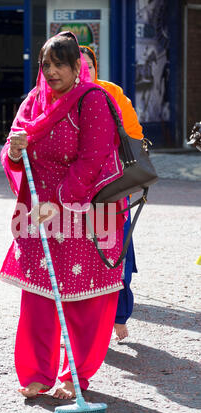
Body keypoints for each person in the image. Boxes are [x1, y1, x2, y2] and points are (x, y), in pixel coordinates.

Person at [0, 31, 128, 399]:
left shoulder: (93, 100)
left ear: (77, 67)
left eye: (60, 64)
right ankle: (37, 372)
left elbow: (94, 158)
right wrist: (15, 150)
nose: (52, 71)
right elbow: (12, 148)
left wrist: (59, 200)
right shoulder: (34, 102)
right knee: (39, 296)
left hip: (85, 212)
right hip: (38, 212)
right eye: (46, 65)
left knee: (83, 300)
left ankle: (74, 375)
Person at [79, 45, 143, 341]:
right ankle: (84, 324)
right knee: (77, 257)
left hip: (111, 188)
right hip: (73, 195)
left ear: (96, 68)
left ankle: (118, 315)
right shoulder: (57, 99)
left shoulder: (111, 93)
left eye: (88, 66)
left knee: (117, 253)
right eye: (76, 66)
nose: (83, 72)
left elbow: (135, 137)